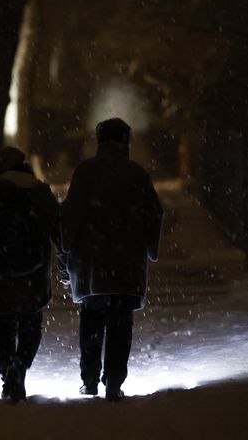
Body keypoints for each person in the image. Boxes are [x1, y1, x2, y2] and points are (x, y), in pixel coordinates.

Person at [58, 117, 164, 401]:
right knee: (120, 324)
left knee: (92, 320)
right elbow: (155, 213)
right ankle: (114, 382)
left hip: (91, 263)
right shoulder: (137, 175)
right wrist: (148, 247)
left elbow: (72, 214)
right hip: (127, 265)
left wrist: (65, 248)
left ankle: (90, 379)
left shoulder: (86, 172)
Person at [0, 146, 60, 402]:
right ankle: (19, 367)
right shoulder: (39, 191)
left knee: (4, 326)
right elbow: (57, 227)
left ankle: (8, 376)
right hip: (34, 270)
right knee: (31, 324)